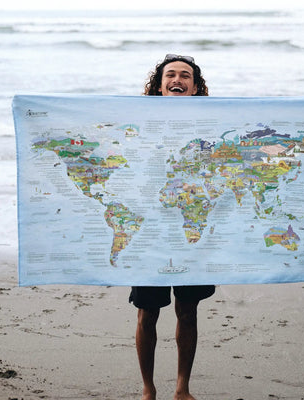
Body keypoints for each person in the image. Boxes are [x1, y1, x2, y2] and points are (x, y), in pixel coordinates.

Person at [129, 54, 215, 400]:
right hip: (151, 230)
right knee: (147, 311)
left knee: (187, 310)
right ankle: (148, 389)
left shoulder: (209, 123)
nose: (177, 79)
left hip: (192, 226)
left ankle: (182, 387)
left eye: (185, 76)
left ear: (194, 88)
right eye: (170, 75)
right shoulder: (139, 120)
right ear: (159, 84)